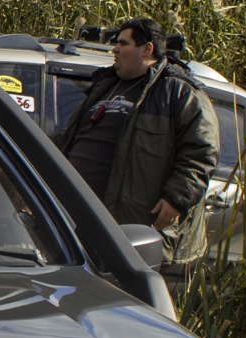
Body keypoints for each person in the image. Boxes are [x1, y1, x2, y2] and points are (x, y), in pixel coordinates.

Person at [56, 18, 218, 269]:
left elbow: (201, 151)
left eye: (123, 43)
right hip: (79, 220)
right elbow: (70, 138)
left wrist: (176, 198)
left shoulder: (179, 93)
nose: (115, 50)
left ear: (147, 49)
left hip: (131, 230)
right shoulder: (105, 86)